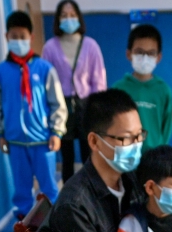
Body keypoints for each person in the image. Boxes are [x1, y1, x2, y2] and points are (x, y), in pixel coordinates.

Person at [40, 89, 144, 232]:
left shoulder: (132, 179)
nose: (135, 145)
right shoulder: (75, 206)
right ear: (94, 142)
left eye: (139, 135)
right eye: (126, 138)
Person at [0, 11, 67, 219]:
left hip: (43, 141)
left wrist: (56, 132)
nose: (18, 41)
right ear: (7, 37)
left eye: (22, 36)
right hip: (15, 142)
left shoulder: (44, 69)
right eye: (14, 36)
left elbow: (57, 103)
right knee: (22, 190)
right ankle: (24, 228)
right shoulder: (1, 72)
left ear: (31, 37)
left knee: (49, 187)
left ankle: (52, 225)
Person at [42, 0, 107, 182]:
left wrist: (97, 111)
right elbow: (44, 82)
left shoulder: (91, 46)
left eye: (72, 15)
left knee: (90, 154)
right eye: (64, 15)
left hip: (86, 105)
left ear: (79, 17)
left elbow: (99, 82)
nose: (68, 19)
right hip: (61, 107)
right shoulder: (50, 47)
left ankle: (91, 192)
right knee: (66, 157)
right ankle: (69, 197)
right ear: (57, 19)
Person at [112, 24, 172, 150]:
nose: (145, 58)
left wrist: (161, 152)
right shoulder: (118, 89)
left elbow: (166, 128)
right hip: (125, 154)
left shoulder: (163, 90)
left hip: (154, 156)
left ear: (158, 57)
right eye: (139, 52)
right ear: (128, 54)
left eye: (151, 53)